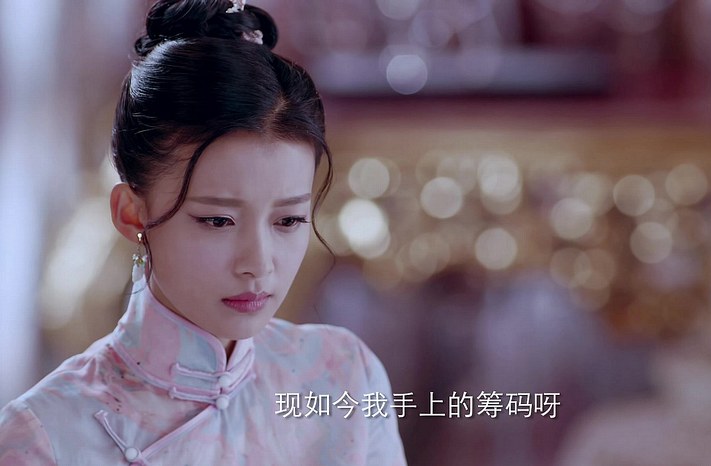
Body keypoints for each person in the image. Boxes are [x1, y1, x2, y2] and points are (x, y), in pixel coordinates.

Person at [0, 0, 407, 464]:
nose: (258, 264)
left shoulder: (343, 376)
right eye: (218, 221)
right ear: (132, 214)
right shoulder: (44, 436)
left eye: (288, 220)